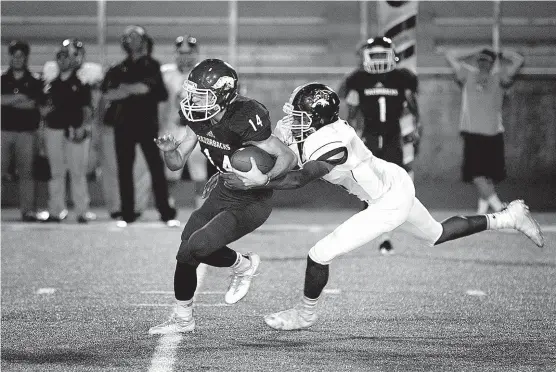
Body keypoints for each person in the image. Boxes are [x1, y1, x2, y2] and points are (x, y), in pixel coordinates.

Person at [223, 82, 544, 331]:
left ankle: (305, 314)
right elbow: (284, 152)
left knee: (319, 254)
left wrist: (259, 181)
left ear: (316, 120)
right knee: (436, 234)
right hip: (395, 182)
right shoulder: (315, 130)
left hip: (387, 202)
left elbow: (300, 178)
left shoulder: (332, 143)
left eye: (298, 116)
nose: (291, 121)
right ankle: (508, 217)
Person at [148, 58, 297, 335]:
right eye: (192, 93)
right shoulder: (199, 117)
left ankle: (244, 264)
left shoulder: (245, 116)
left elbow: (287, 155)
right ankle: (183, 320)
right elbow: (177, 163)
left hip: (252, 198)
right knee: (185, 250)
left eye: (200, 95)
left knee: (200, 245)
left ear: (224, 94)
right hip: (224, 190)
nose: (193, 100)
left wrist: (263, 178)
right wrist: (170, 150)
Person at [338, 36, 420, 255]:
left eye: (381, 54)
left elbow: (409, 108)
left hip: (394, 136)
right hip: (370, 136)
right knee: (367, 181)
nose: (377, 60)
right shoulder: (358, 79)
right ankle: (373, 225)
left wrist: (412, 131)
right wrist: (350, 134)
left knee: (394, 180)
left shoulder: (402, 78)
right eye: (372, 55)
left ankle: (386, 231)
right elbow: (351, 110)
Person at [101, 25, 177, 226]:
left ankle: (166, 214)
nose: (131, 40)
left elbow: (152, 90)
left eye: (135, 37)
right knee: (124, 169)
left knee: (156, 168)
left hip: (147, 124)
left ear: (144, 41)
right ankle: (127, 214)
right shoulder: (118, 68)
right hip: (123, 124)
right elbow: (108, 93)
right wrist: (134, 89)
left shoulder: (152, 66)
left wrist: (126, 88)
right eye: (128, 37)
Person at [445, 46, 524, 214]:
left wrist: (503, 53)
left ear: (492, 63)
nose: (483, 64)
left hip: (493, 133)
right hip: (472, 133)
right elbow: (450, 54)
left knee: (487, 175)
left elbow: (518, 61)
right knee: (476, 174)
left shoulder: (499, 77)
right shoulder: (468, 74)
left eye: (487, 61)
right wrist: (473, 51)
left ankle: (482, 213)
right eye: (480, 60)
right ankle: (498, 208)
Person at [42, 38, 103, 223]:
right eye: (60, 57)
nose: (63, 61)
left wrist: (83, 127)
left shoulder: (81, 81)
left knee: (77, 172)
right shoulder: (51, 82)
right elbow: (44, 106)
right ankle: (55, 209)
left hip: (74, 130)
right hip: (54, 129)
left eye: (66, 57)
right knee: (56, 171)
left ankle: (82, 210)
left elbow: (87, 108)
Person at [159, 34, 207, 208]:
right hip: (170, 127)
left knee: (198, 169)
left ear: (196, 54)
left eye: (189, 53)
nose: (185, 56)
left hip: (195, 129)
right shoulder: (165, 74)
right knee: (170, 170)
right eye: (181, 52)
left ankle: (202, 206)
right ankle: (168, 206)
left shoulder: (204, 74)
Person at [1, 40, 44, 221]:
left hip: (27, 133)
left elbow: (34, 104)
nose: (17, 59)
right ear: (9, 57)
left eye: (21, 56)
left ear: (26, 57)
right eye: (14, 55)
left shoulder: (35, 80)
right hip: (3, 132)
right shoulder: (2, 79)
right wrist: (20, 98)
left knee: (27, 173)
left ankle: (27, 210)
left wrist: (9, 100)